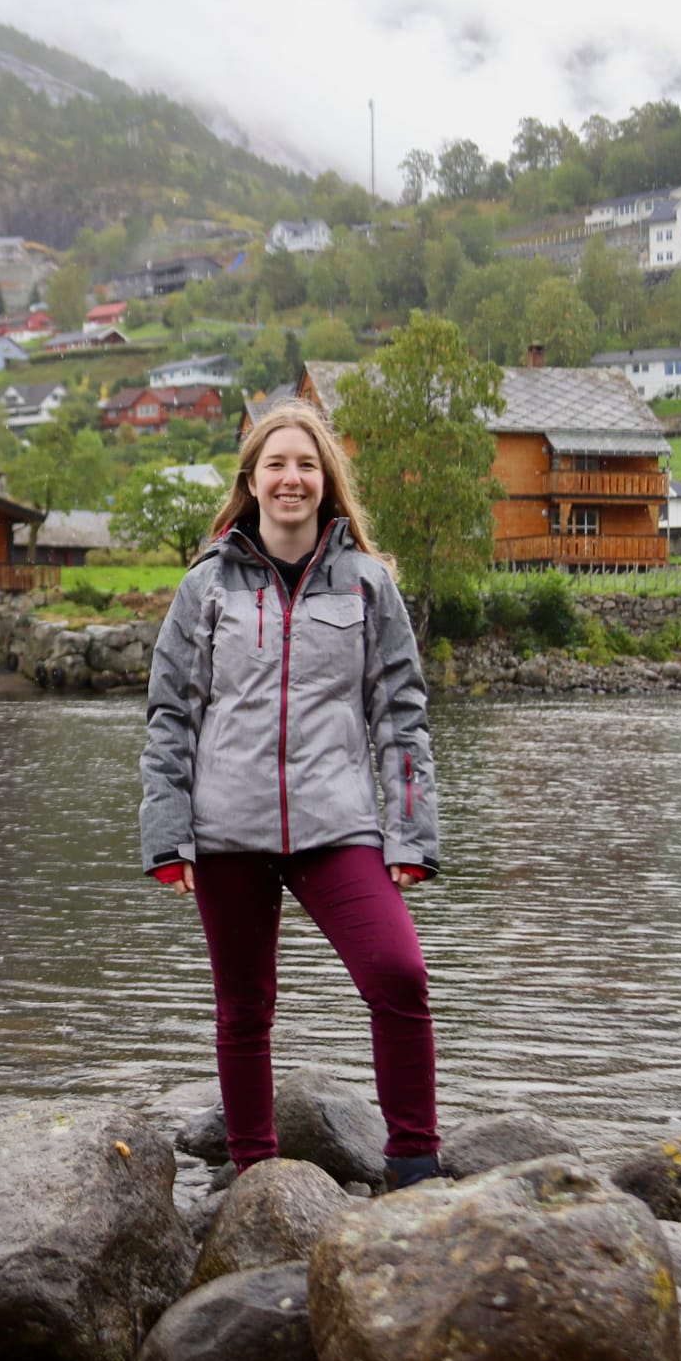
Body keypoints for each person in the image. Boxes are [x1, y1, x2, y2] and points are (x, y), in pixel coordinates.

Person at [138, 400, 442, 1188]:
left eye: (306, 464)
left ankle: (413, 1162)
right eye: (276, 464)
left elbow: (401, 717)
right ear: (252, 480)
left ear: (326, 481)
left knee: (399, 974)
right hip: (225, 830)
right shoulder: (205, 585)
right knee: (244, 1010)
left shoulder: (369, 584)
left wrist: (409, 835)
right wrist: (167, 839)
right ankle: (255, 1176)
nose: (291, 478)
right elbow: (171, 712)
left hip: (335, 825)